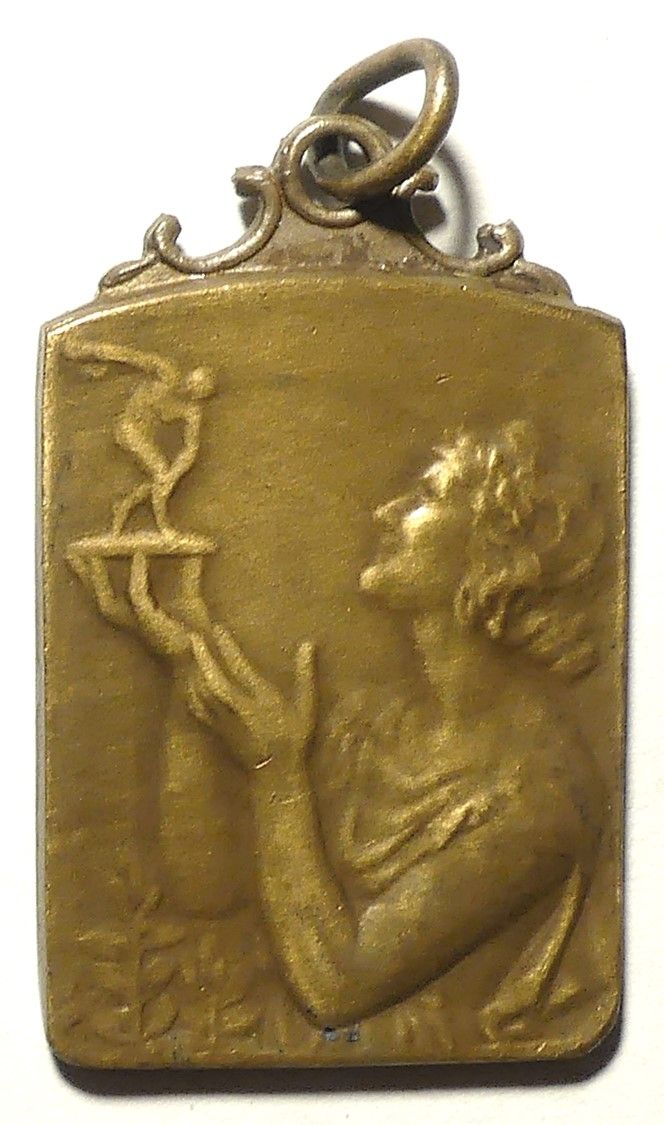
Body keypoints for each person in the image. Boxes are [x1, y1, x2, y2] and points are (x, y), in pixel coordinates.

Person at [174, 421, 608, 1037]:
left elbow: (337, 990)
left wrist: (277, 776)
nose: (385, 512)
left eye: (426, 494)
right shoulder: (371, 727)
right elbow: (205, 896)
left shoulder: (538, 796)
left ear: (496, 557)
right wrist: (182, 652)